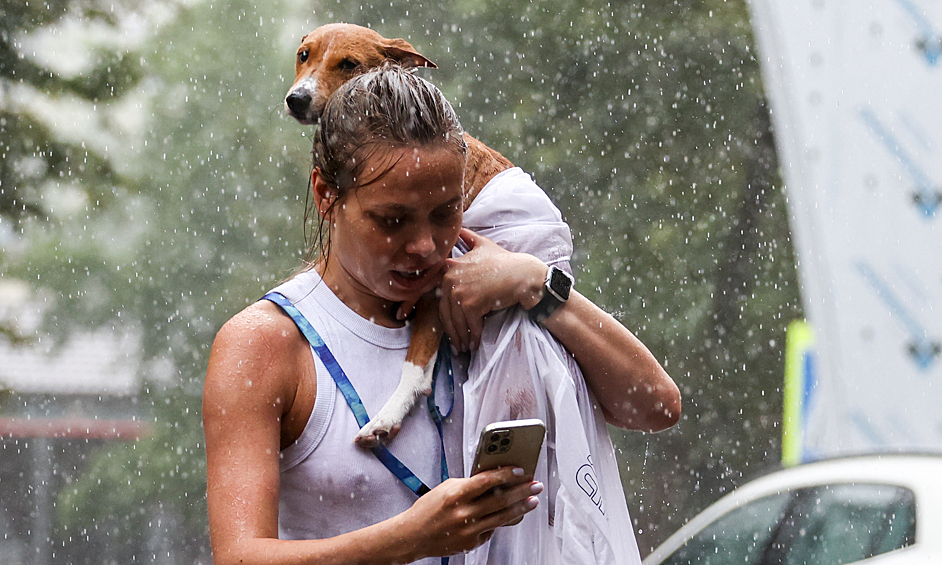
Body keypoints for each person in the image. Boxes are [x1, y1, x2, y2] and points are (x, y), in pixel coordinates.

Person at [203, 66, 680, 565]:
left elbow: (656, 407)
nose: (425, 246)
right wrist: (411, 538)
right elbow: (240, 557)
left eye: (446, 213)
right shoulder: (265, 343)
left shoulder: (491, 300)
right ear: (326, 195)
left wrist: (536, 283)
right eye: (393, 220)